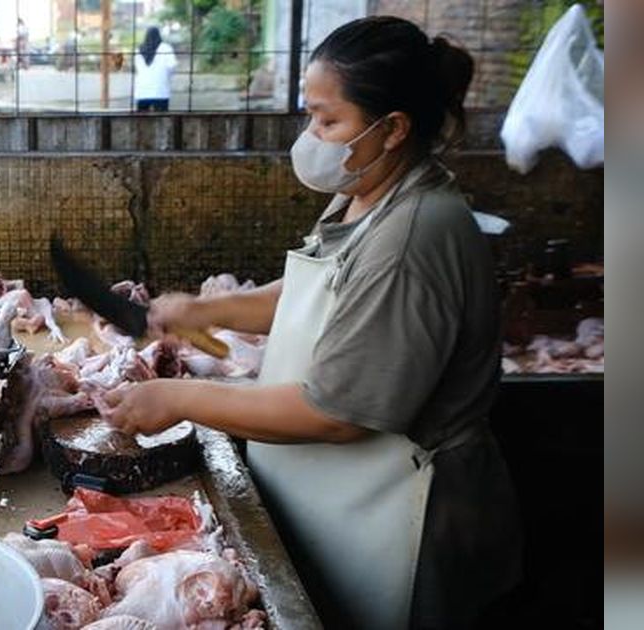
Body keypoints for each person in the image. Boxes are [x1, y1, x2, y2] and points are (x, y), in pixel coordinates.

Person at [100, 16, 522, 630]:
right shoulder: (375, 189)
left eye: (328, 121)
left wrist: (182, 396)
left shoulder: (411, 237)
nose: (311, 136)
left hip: (400, 515)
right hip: (340, 499)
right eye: (310, 116)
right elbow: (315, 290)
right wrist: (202, 310)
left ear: (393, 129)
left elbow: (338, 414)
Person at [134, 26, 177, 112]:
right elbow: (172, 65)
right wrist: (166, 76)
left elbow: (137, 68)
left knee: (142, 121)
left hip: (142, 92)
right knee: (162, 120)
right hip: (161, 91)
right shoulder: (165, 48)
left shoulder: (138, 49)